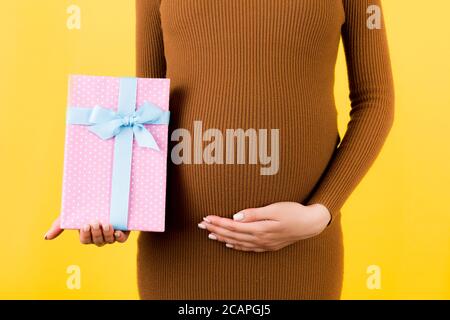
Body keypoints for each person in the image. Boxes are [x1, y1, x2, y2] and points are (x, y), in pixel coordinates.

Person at [46, 0, 394, 299]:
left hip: (300, 254)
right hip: (180, 255)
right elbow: (147, 105)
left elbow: (375, 101)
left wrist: (321, 213)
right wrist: (109, 202)